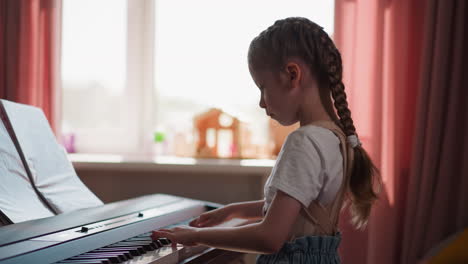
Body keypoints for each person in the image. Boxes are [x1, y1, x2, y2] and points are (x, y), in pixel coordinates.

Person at [151, 17, 381, 263]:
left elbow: (269, 237)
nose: (261, 102)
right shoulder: (338, 139)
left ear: (292, 75)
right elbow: (299, 206)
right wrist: (233, 211)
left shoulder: (303, 142)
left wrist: (196, 236)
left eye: (263, 88)